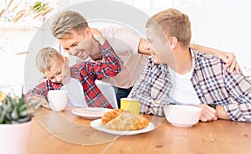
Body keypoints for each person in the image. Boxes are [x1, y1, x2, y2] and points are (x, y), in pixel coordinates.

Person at [51, 11, 241, 107]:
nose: (71, 52)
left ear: (87, 33)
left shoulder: (117, 37)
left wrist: (215, 53)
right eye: (66, 48)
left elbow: (165, 46)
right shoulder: (78, 59)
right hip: (122, 89)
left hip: (145, 83)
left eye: (74, 45)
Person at [128, 8, 251, 122]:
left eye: (152, 41)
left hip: (213, 140)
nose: (148, 47)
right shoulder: (153, 65)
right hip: (166, 140)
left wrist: (216, 110)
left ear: (171, 43)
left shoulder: (218, 66)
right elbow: (132, 100)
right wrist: (178, 109)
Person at [25, 35, 121, 109]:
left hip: (101, 117)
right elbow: (30, 95)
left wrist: (102, 41)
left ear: (65, 61)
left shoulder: (83, 69)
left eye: (59, 72)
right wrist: (39, 100)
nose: (58, 79)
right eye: (52, 77)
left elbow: (113, 68)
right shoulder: (50, 85)